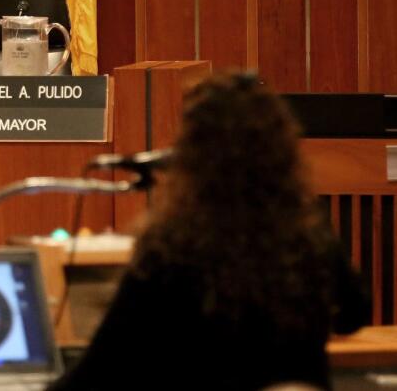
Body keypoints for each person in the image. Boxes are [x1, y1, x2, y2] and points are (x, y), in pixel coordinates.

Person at [50, 71, 369, 390]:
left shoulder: (172, 250)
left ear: (191, 156)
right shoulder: (307, 234)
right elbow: (354, 314)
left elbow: (102, 366)